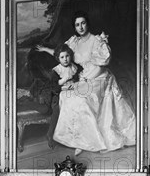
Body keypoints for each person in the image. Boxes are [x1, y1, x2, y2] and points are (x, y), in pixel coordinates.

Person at [36, 12, 135, 155]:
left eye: (83, 23)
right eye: (77, 24)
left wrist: (85, 82)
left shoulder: (97, 41)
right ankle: (79, 140)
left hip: (100, 78)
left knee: (82, 99)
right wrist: (45, 50)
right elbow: (61, 54)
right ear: (75, 27)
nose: (80, 27)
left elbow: (101, 66)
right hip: (84, 77)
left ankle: (89, 140)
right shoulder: (74, 42)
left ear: (87, 24)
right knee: (66, 96)